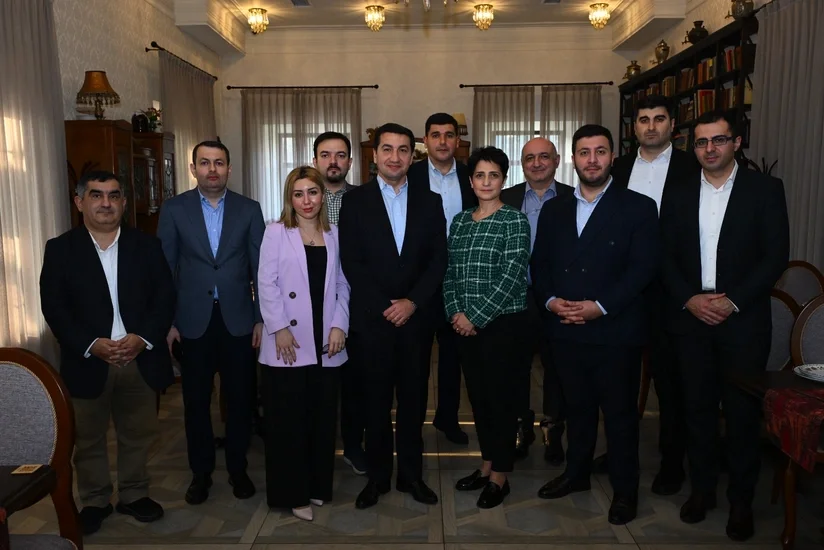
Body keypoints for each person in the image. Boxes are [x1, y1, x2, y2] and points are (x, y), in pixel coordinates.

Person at [659, 110, 789, 541]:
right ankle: (702, 493)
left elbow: (775, 256)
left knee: (740, 416)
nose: (709, 149)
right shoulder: (677, 192)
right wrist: (690, 299)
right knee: (695, 412)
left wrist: (731, 302)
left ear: (736, 142)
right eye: (701, 142)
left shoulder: (765, 190)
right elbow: (664, 255)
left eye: (718, 140)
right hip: (691, 319)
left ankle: (740, 502)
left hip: (743, 321)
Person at [531, 124, 660, 525]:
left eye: (600, 151)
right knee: (578, 410)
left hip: (615, 331)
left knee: (619, 417)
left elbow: (642, 270)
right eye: (584, 152)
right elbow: (540, 264)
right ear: (572, 159)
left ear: (612, 157)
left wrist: (600, 307)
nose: (592, 160)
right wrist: (551, 301)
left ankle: (625, 491)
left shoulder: (638, 207)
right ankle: (576, 474)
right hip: (565, 328)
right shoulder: (555, 209)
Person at [40, 170, 174, 535]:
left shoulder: (147, 246)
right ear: (79, 202)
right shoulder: (60, 249)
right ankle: (95, 500)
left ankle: (134, 494)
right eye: (96, 195)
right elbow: (55, 308)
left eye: (114, 196)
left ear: (124, 203)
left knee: (138, 434)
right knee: (88, 438)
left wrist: (141, 338)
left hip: (137, 357)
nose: (106, 203)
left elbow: (165, 297)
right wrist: (91, 344)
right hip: (88, 358)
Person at [339, 122, 447, 510]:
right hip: (372, 322)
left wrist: (412, 302)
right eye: (388, 149)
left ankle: (412, 476)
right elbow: (351, 262)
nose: (395, 157)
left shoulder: (430, 201)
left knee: (414, 404)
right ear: (375, 154)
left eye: (403, 150)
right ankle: (378, 478)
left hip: (416, 322)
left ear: (412, 155)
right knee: (375, 404)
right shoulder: (355, 202)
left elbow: (438, 260)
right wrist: (386, 305)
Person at [156, 140, 265, 505]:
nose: (212, 169)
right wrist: (169, 323)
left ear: (229, 168)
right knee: (196, 402)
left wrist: (261, 319)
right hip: (192, 322)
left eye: (219, 162)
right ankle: (200, 474)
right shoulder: (174, 209)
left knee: (240, 401)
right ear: (194, 169)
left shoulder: (249, 209)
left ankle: (238, 469)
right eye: (205, 163)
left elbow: (260, 269)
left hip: (238, 321)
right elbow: (165, 271)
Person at [603, 94, 701, 494]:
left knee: (670, 383)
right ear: (634, 127)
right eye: (643, 119)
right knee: (618, 379)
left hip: (671, 292)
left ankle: (672, 463)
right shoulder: (618, 168)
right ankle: (616, 452)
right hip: (625, 291)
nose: (650, 126)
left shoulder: (692, 167)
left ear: (672, 125)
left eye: (659, 119)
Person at [257, 166, 350, 521]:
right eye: (298, 194)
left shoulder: (335, 234)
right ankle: (292, 494)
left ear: (322, 196)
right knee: (288, 423)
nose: (306, 200)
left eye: (312, 192)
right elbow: (266, 283)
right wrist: (278, 327)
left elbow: (343, 285)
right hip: (288, 342)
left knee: (322, 420)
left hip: (326, 342)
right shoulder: (275, 232)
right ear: (290, 199)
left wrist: (340, 325)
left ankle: (316, 487)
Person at [445, 146, 530, 509]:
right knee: (479, 400)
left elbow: (512, 277)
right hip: (464, 327)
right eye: (479, 175)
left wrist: (475, 317)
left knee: (502, 402)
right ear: (470, 181)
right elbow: (450, 272)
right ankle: (486, 464)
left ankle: (500, 476)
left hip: (502, 326)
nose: (486, 182)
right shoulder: (460, 221)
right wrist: (455, 313)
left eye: (493, 175)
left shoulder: (514, 220)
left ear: (503, 180)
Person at [501, 137, 573, 464]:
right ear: (522, 163)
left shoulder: (574, 197)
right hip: (516, 296)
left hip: (560, 298)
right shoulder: (505, 198)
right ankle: (521, 425)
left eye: (544, 156)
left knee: (556, 366)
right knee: (515, 365)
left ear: (556, 161)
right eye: (530, 158)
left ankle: (553, 428)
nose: (537, 163)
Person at [408, 112, 477, 446]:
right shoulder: (410, 175)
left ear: (458, 141)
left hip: (460, 279)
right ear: (425, 140)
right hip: (420, 280)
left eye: (449, 135)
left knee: (453, 356)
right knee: (417, 358)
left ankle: (448, 419)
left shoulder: (471, 176)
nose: (443, 141)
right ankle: (413, 424)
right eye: (435, 135)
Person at [312, 131, 366, 476]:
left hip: (358, 305)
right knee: (318, 384)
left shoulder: (365, 199)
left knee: (356, 384)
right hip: (313, 306)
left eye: (340, 155)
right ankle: (317, 449)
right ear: (315, 160)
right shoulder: (302, 199)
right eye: (326, 155)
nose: (333, 162)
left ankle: (353, 446)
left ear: (350, 161)